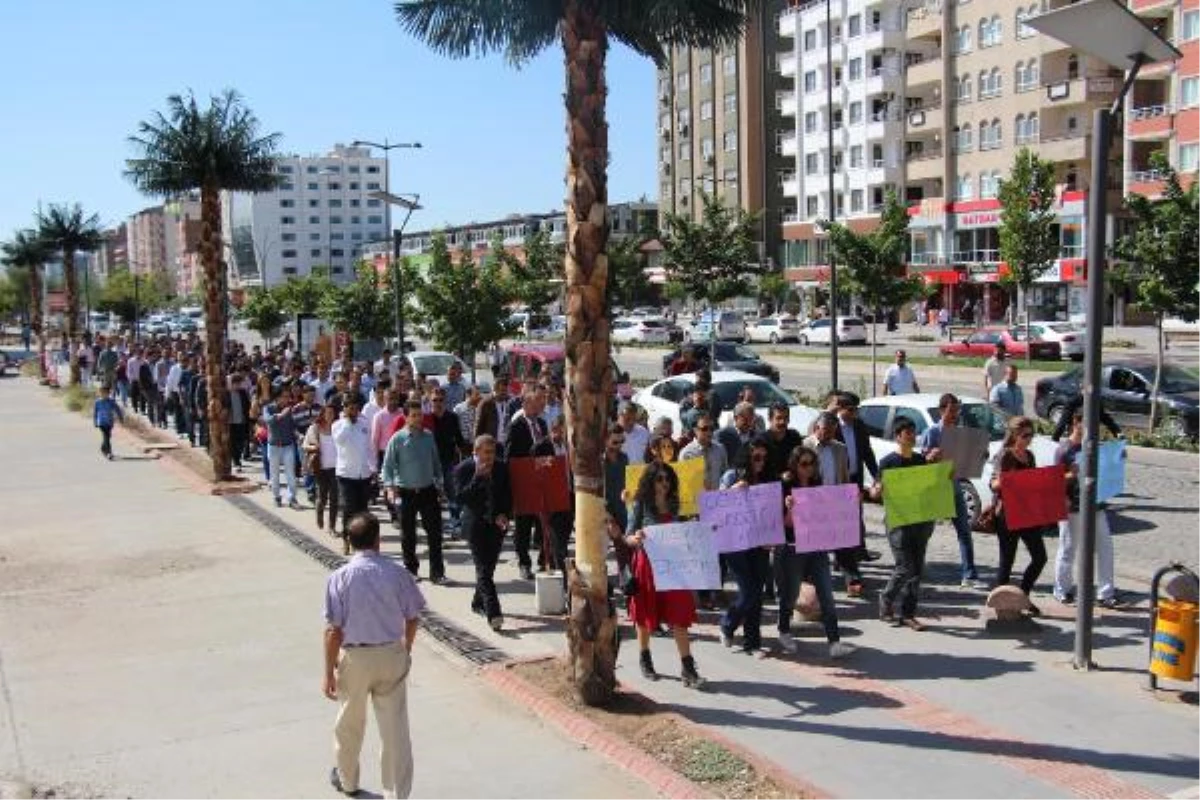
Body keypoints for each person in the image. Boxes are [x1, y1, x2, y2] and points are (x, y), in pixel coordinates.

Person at [323, 512, 424, 800]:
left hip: (355, 657)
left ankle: (348, 780)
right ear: (378, 540)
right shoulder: (397, 572)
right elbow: (414, 616)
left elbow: (333, 631)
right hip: (391, 653)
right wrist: (406, 648)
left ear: (349, 541)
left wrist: (328, 671)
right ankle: (396, 793)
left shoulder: (339, 577)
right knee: (394, 729)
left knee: (349, 725)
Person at [624, 461, 706, 688]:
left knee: (679, 613)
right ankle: (644, 657)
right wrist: (636, 538)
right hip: (647, 567)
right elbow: (627, 536)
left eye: (668, 479)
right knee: (645, 614)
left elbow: (682, 533)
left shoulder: (675, 503)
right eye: (660, 479)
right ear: (651, 481)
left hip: (673, 568)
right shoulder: (640, 503)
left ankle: (688, 668)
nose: (665, 483)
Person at [776, 445, 853, 658]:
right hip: (793, 548)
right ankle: (783, 630)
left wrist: (847, 504)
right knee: (790, 594)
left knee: (827, 594)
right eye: (804, 464)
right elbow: (785, 525)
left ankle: (834, 641)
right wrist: (790, 508)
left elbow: (828, 514)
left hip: (817, 547)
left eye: (812, 464)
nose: (808, 468)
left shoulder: (818, 484)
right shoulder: (785, 486)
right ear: (794, 465)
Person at [872, 417, 937, 630]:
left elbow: (930, 486)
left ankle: (908, 614)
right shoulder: (888, 462)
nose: (911, 436)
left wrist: (939, 468)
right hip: (898, 521)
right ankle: (886, 599)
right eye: (907, 432)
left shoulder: (920, 460)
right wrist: (877, 491)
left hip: (919, 519)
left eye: (913, 432)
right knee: (904, 567)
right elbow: (876, 489)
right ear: (897, 436)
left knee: (917, 569)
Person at [1054, 411, 1120, 608]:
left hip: (1095, 505)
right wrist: (1070, 476)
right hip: (1071, 507)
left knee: (1105, 547)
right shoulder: (1064, 449)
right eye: (1088, 423)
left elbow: (1104, 470)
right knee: (1068, 548)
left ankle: (1105, 593)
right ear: (1076, 423)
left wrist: (1116, 460)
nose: (1094, 428)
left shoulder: (1094, 446)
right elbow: (1055, 480)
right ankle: (1062, 590)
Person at [919, 393, 985, 589]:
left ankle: (969, 574)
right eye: (951, 410)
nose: (955, 414)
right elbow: (922, 462)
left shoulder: (961, 433)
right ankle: (917, 565)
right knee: (925, 531)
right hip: (936, 487)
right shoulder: (932, 432)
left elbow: (966, 459)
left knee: (964, 531)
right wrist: (931, 456)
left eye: (957, 410)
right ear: (942, 410)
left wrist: (978, 455)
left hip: (955, 485)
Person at [717, 437, 775, 655]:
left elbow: (772, 511)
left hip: (760, 542)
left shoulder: (768, 479)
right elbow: (717, 506)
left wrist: (772, 535)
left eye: (764, 458)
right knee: (748, 590)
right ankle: (728, 623)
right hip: (735, 542)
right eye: (756, 457)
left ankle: (753, 643)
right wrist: (733, 491)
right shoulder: (731, 475)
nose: (761, 462)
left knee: (757, 593)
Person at [382, 399, 447, 583]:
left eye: (420, 415)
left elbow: (436, 464)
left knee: (435, 533)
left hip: (428, 491)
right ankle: (411, 570)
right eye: (414, 416)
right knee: (408, 534)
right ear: (406, 417)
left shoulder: (428, 436)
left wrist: (440, 485)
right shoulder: (398, 439)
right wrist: (389, 488)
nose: (418, 419)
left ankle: (437, 572)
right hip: (406, 493)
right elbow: (387, 467)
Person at [990, 416, 1050, 615]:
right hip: (1007, 514)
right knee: (1007, 561)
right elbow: (994, 484)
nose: (1029, 439)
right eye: (1025, 435)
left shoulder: (1030, 456)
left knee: (1040, 557)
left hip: (1027, 513)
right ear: (1015, 435)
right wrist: (1012, 480)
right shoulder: (1005, 456)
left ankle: (1022, 596)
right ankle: (1000, 605)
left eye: (1031, 435)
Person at [454, 435, 512, 631]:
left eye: (493, 452)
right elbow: (460, 498)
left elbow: (507, 495)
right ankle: (494, 612)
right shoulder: (465, 469)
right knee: (484, 571)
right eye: (486, 452)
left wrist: (504, 514)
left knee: (489, 567)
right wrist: (477, 478)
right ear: (476, 452)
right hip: (475, 526)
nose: (490, 457)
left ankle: (477, 602)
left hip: (496, 526)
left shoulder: (502, 467)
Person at [804, 411, 862, 597]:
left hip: (835, 499)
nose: (828, 435)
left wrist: (849, 497)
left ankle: (852, 579)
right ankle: (809, 580)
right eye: (825, 431)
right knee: (814, 545)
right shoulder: (805, 445)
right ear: (816, 429)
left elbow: (844, 475)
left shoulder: (840, 448)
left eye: (832, 432)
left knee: (844, 542)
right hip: (813, 500)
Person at [505, 388, 553, 580]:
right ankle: (524, 562)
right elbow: (510, 456)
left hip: (541, 481)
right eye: (536, 401)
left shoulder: (542, 423)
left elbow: (547, 450)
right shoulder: (516, 426)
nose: (540, 404)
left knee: (542, 524)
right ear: (525, 404)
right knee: (523, 526)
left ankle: (544, 560)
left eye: (541, 401)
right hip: (524, 481)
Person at [833, 393, 880, 566]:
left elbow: (867, 452)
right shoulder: (833, 427)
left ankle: (859, 551)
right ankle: (841, 559)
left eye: (856, 410)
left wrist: (877, 475)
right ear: (840, 409)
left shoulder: (859, 426)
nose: (855, 414)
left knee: (856, 515)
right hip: (838, 480)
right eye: (851, 410)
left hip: (855, 478)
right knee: (840, 520)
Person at [333, 395, 376, 553]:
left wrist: (373, 467)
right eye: (349, 408)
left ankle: (363, 541)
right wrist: (348, 423)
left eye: (355, 408)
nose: (353, 411)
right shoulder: (338, 425)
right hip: (346, 474)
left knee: (363, 510)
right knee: (349, 508)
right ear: (344, 409)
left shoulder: (364, 424)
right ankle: (346, 538)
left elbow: (369, 447)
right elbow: (339, 441)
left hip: (363, 473)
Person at [428, 387, 466, 535]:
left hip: (448, 461)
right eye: (434, 400)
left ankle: (455, 523)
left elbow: (459, 439)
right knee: (432, 497)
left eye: (440, 400)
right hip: (430, 463)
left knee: (452, 493)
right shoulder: (427, 418)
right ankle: (435, 526)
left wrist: (466, 456)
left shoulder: (452, 417)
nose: (437, 403)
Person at [304, 403, 340, 536]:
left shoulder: (338, 428)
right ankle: (319, 512)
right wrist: (314, 448)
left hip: (336, 468)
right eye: (327, 412)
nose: (330, 415)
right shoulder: (315, 428)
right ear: (323, 414)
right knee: (322, 497)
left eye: (332, 413)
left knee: (335, 498)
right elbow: (305, 445)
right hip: (321, 468)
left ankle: (332, 527)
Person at [262, 387, 301, 509]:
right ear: (277, 397)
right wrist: (280, 415)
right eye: (284, 396)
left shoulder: (290, 409)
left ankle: (292, 498)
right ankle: (276, 497)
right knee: (275, 474)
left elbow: (292, 426)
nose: (286, 399)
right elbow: (268, 421)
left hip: (288, 445)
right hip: (273, 446)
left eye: (288, 396)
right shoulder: (268, 408)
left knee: (291, 474)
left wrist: (299, 435)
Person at [679, 411, 729, 493]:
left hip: (717, 500)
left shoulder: (720, 449)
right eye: (704, 429)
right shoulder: (686, 454)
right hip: (696, 501)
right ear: (695, 430)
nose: (709, 432)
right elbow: (684, 483)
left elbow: (724, 475)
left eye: (712, 429)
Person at [1050, 393, 1122, 442]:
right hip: (1076, 438)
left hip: (1090, 438)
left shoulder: (1096, 402)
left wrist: (1117, 432)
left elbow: (1105, 418)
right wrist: (1055, 439)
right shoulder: (1072, 402)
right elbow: (1062, 422)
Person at [763, 402, 803, 479]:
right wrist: (780, 476)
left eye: (786, 418)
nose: (783, 422)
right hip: (770, 486)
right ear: (770, 419)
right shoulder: (762, 441)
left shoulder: (794, 437)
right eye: (778, 418)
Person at [716, 401, 758, 467]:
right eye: (745, 419)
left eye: (751, 419)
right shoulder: (724, 435)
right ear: (736, 418)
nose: (749, 423)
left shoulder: (757, 436)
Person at [93, 384, 124, 460]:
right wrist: (95, 422)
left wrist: (120, 418)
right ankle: (109, 453)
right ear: (99, 393)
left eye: (105, 393)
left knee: (108, 437)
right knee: (106, 437)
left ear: (108, 394)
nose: (104, 395)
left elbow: (117, 409)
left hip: (109, 422)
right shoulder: (97, 402)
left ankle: (103, 448)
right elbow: (95, 413)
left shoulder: (111, 402)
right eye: (102, 393)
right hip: (101, 422)